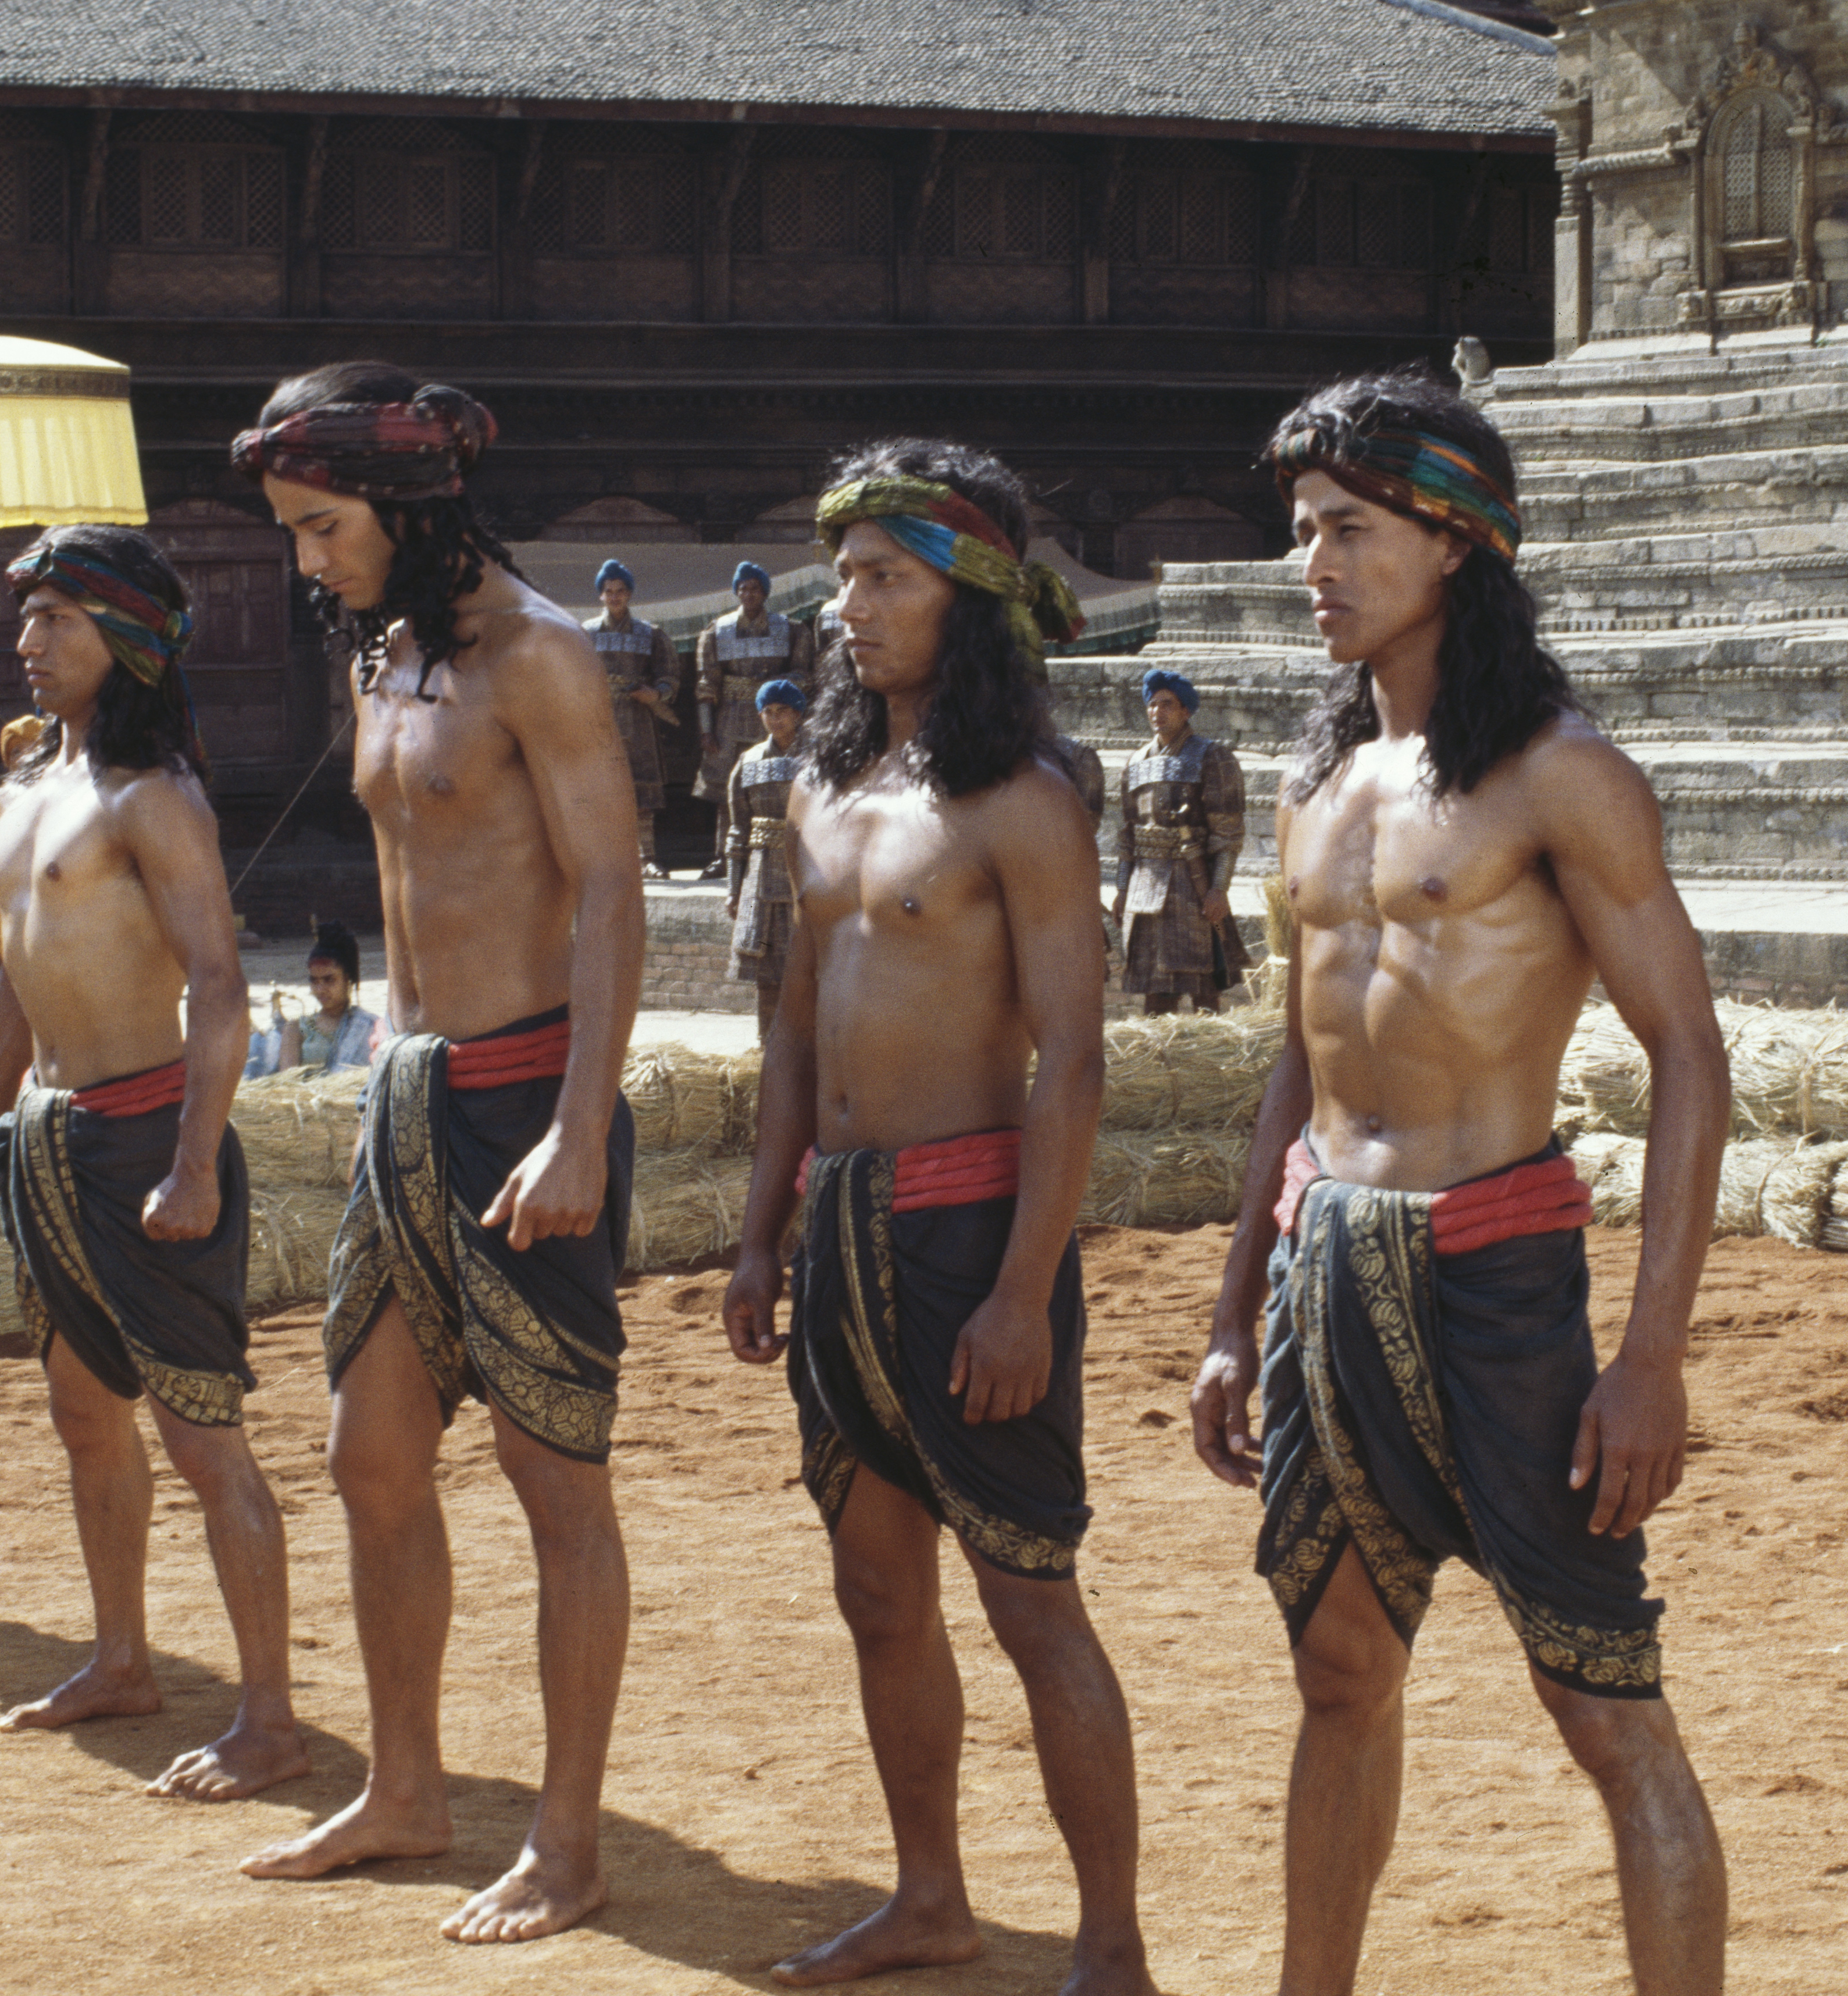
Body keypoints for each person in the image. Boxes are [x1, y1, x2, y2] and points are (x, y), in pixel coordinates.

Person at [1193, 370, 1732, 1996]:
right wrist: (1234, 1309)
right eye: (1302, 533)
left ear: (1455, 543)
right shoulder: (1318, 786)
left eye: (1349, 530)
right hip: (1322, 1268)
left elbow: (1688, 1060)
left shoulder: (1562, 773)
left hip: (1495, 1273)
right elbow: (1297, 1066)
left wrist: (1649, 1356)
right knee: (1339, 1666)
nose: (1314, 563)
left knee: (1601, 1705)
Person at [721, 440, 1153, 1995]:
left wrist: (1027, 1287)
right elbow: (784, 1034)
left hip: (969, 1235)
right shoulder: (821, 788)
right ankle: (928, 1898)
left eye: (884, 577)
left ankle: (1110, 1949)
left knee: (1030, 1596)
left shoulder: (1024, 800)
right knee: (875, 1589)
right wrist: (761, 1233)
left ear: (965, 597)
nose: (849, 605)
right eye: (840, 576)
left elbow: (1075, 1061)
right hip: (837, 1233)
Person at [229, 363, 647, 1943]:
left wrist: (581, 1131)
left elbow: (608, 891)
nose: (304, 559)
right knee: (368, 1456)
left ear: (404, 508)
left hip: (525, 1090)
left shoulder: (540, 658)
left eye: (321, 526)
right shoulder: (384, 661)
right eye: (292, 530)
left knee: (556, 1489)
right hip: (405, 1099)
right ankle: (406, 1791)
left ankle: (567, 1837)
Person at [0, 526, 306, 1802]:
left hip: (149, 1132)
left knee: (205, 1440)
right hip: (52, 1135)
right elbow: (14, 980)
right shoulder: (25, 784)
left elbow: (219, 984)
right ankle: (121, 1658)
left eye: (57, 623)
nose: (27, 645)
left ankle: (268, 1715)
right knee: (84, 1414)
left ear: (128, 643)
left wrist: (195, 1159)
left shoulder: (156, 795)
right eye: (26, 620)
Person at [1111, 668, 1250, 1015]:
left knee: (1203, 987)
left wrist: (1219, 888)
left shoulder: (1213, 757)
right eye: (1152, 705)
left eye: (1167, 704)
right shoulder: (1135, 762)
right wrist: (1123, 889)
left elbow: (1227, 833)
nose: (1157, 712)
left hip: (1192, 884)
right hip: (1144, 887)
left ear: (1185, 710)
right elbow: (1128, 834)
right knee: (1154, 991)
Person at [695, 559, 816, 877]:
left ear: (765, 593)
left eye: (755, 588)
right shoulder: (717, 631)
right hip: (730, 718)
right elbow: (707, 685)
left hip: (775, 716)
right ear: (736, 592)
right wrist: (706, 729)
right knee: (726, 791)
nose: (749, 594)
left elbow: (805, 675)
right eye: (743, 588)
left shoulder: (790, 630)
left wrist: (773, 684)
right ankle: (724, 856)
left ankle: (788, 852)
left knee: (780, 781)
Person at [723, 677, 808, 1041]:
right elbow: (737, 830)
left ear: (798, 714)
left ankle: (809, 1046)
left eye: (783, 711)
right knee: (767, 971)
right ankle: (767, 1045)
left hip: (808, 870)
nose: (775, 719)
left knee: (809, 967)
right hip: (760, 876)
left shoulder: (820, 756)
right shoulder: (749, 760)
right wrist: (733, 888)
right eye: (768, 712)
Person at [584, 559, 678, 878]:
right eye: (609, 592)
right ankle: (603, 861)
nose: (615, 597)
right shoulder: (584, 633)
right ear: (601, 596)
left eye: (620, 591)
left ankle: (647, 857)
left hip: (638, 720)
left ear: (630, 594)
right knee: (600, 792)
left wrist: (657, 694)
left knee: (642, 795)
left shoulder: (650, 634)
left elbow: (670, 677)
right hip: (599, 721)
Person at [272, 922, 381, 1074]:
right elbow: (287, 1086)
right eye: (314, 981)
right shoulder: (296, 1029)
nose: (320, 990)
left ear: (348, 980)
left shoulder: (370, 1027)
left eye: (329, 980)